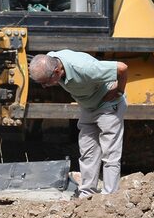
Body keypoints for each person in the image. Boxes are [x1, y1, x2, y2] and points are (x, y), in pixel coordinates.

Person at [28, 51, 129, 196]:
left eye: (46, 82)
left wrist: (118, 91)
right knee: (88, 151)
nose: (44, 86)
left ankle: (110, 196)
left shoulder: (84, 68)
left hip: (108, 104)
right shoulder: (51, 60)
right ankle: (87, 194)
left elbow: (122, 68)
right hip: (88, 106)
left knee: (110, 152)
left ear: (57, 71)